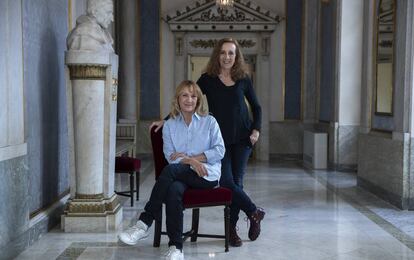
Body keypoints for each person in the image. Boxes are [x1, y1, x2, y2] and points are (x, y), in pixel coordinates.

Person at [151, 38, 265, 247]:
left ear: (236, 56)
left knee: (236, 183)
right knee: (227, 183)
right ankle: (254, 211)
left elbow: (257, 107)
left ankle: (231, 230)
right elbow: (188, 98)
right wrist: (166, 120)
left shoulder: (243, 79)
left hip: (242, 139)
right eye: (223, 53)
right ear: (217, 55)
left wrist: (256, 130)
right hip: (218, 141)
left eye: (231, 53)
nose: (227, 57)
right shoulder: (207, 79)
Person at [119, 80, 225, 260]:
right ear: (177, 99)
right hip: (182, 173)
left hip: (206, 175)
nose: (189, 100)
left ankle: (144, 223)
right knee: (174, 189)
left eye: (193, 96)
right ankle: (176, 248)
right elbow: (170, 156)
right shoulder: (169, 126)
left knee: (169, 172)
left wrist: (192, 159)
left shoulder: (209, 122)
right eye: (185, 95)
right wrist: (192, 161)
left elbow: (219, 150)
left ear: (198, 100)